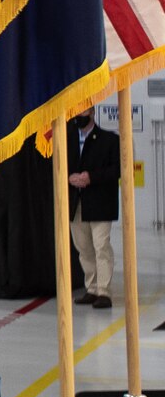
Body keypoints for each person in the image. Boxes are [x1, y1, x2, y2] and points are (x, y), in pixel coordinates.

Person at [70, 111, 122, 309]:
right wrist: (70, 178)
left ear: (91, 112)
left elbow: (117, 169)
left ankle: (104, 291)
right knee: (83, 248)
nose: (78, 116)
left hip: (100, 202)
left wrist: (91, 177)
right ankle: (91, 288)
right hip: (76, 203)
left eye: (82, 111)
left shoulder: (109, 140)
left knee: (101, 246)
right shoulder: (68, 140)